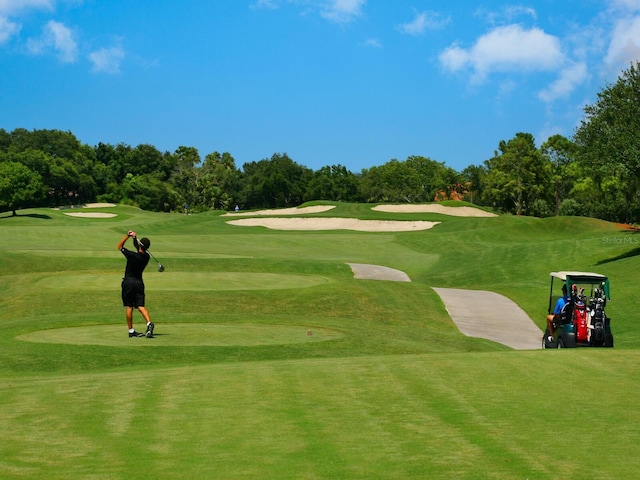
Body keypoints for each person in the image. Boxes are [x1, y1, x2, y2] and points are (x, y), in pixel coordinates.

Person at [117, 230, 155, 338]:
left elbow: (119, 246)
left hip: (128, 282)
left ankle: (131, 331)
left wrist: (128, 236)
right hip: (139, 283)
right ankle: (149, 323)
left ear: (140, 245)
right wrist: (134, 239)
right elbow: (138, 248)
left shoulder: (132, 255)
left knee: (129, 306)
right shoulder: (146, 257)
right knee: (141, 306)